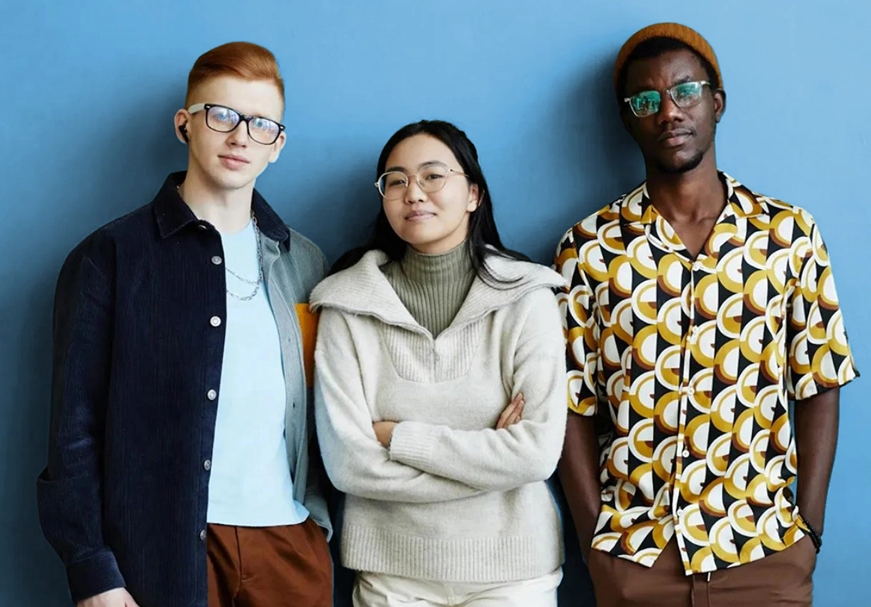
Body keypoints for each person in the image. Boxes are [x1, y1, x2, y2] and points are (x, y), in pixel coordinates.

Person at [554, 22, 859, 607]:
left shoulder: (787, 236)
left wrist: (808, 526)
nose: (669, 111)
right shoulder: (587, 249)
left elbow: (820, 381)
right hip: (636, 555)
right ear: (628, 120)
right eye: (646, 100)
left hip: (763, 548)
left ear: (716, 103)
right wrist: (597, 540)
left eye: (685, 91)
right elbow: (571, 403)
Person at [36, 41, 332, 607]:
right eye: (221, 115)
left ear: (279, 145)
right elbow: (72, 431)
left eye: (261, 124)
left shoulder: (305, 264)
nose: (241, 136)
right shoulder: (111, 256)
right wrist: (92, 570)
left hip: (289, 546)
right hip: (164, 553)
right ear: (185, 124)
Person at [311, 120, 567, 606]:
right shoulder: (345, 303)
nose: (413, 193)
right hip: (392, 575)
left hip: (514, 574)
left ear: (473, 193)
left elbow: (536, 454)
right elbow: (349, 465)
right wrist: (491, 460)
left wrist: (397, 437)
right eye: (396, 180)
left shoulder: (527, 297)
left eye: (432, 175)